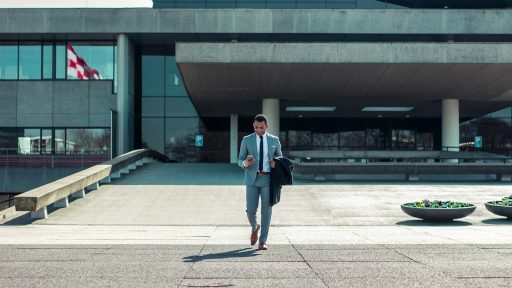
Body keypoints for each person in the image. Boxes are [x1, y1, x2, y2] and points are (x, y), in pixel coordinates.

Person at [238, 114, 282, 250]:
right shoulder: (246, 140)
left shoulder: (274, 140)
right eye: (256, 127)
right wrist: (245, 163)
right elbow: (239, 160)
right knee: (250, 210)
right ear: (253, 126)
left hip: (268, 179)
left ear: (266, 126)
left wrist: (276, 163)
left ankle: (262, 241)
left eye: (261, 127)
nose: (258, 130)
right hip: (252, 178)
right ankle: (254, 226)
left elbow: (280, 157)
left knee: (266, 211)